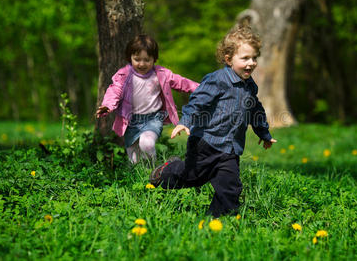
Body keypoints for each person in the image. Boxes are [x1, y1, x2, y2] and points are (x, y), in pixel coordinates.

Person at [149, 25, 277, 217]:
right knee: (192, 177)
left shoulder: (250, 86)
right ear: (228, 59)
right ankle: (167, 171)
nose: (251, 63)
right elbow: (198, 102)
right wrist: (186, 121)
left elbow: (255, 110)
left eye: (254, 58)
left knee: (230, 187)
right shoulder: (217, 80)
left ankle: (216, 221)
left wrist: (264, 133)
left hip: (230, 149)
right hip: (205, 143)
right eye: (245, 58)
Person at [96, 35, 199, 166]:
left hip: (153, 119)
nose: (142, 64)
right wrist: (107, 106)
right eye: (137, 59)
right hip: (130, 120)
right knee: (133, 159)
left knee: (147, 143)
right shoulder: (124, 75)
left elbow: (181, 82)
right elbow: (114, 91)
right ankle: (138, 177)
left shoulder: (160, 74)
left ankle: (152, 172)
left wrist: (201, 88)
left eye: (147, 60)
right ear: (130, 58)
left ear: (154, 59)